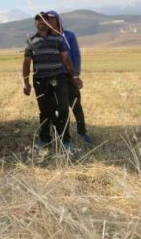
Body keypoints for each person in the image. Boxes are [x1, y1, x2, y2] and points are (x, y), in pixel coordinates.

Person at [22, 12, 82, 151]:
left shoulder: (58, 39)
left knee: (63, 110)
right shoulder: (30, 41)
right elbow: (26, 63)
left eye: (44, 19)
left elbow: (66, 60)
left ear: (48, 22)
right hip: (40, 81)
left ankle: (65, 141)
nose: (40, 22)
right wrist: (26, 83)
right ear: (35, 23)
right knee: (44, 111)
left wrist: (74, 76)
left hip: (58, 78)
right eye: (37, 20)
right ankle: (44, 138)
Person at [46, 11, 93, 145]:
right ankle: (60, 135)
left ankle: (82, 132)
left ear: (58, 20)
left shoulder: (68, 35)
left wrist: (76, 74)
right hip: (53, 77)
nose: (50, 22)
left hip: (69, 75)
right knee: (58, 108)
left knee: (76, 105)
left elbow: (76, 55)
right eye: (47, 20)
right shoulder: (46, 38)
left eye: (52, 19)